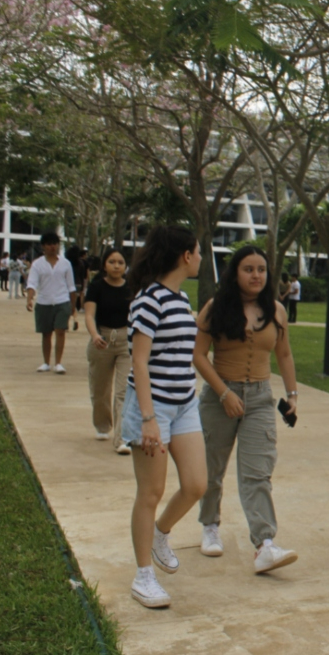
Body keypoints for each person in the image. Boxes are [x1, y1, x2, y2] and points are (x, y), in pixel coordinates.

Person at [193, 246, 300, 575]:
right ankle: (210, 524)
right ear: (234, 274)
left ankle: (265, 544)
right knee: (211, 470)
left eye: (261, 270)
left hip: (259, 399)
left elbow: (283, 354)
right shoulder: (215, 308)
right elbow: (198, 355)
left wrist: (292, 393)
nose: (256, 275)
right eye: (248, 269)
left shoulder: (276, 310)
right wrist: (224, 393)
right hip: (220, 396)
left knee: (257, 472)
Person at [120, 225, 207, 609]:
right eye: (199, 252)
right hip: (152, 407)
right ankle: (143, 577)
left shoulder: (178, 297)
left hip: (185, 402)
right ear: (185, 256)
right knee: (151, 493)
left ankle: (161, 534)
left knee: (196, 485)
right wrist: (149, 418)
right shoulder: (148, 300)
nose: (201, 258)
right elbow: (139, 361)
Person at [85, 248, 133, 453]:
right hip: (102, 340)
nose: (116, 266)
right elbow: (89, 315)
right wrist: (95, 335)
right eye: (112, 262)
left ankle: (121, 438)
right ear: (104, 265)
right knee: (100, 389)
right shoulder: (96, 287)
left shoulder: (132, 287)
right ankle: (103, 426)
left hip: (125, 342)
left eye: (120, 262)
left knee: (123, 390)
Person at [26, 232, 78, 373]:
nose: (52, 247)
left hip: (62, 301)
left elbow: (71, 286)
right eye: (49, 244)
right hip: (44, 301)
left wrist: (73, 306)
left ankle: (58, 363)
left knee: (60, 331)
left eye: (55, 244)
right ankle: (46, 362)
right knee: (46, 333)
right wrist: (29, 299)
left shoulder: (65, 264)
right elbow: (32, 283)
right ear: (43, 246)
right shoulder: (37, 264)